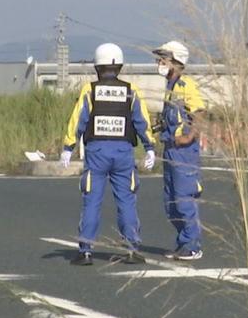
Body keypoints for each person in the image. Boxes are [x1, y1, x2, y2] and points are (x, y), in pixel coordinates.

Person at [60, 43, 157, 266]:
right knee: (127, 202)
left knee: (92, 202)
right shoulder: (131, 91)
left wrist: (68, 147)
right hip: (123, 152)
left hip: (96, 153)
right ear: (119, 66)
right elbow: (142, 122)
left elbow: (78, 120)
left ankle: (86, 251)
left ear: (97, 67)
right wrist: (150, 148)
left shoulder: (90, 90)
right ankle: (132, 249)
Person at [154, 40, 206, 261]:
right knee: (170, 200)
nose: (159, 62)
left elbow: (199, 113)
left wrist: (189, 137)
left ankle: (192, 245)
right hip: (170, 148)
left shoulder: (187, 85)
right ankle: (183, 243)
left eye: (163, 58)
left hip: (184, 152)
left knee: (184, 197)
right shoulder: (170, 87)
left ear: (176, 61)